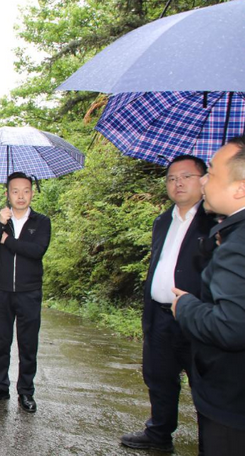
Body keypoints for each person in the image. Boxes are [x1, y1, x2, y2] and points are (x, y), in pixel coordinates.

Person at [121, 155, 216, 453]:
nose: (178, 183)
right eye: (172, 178)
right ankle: (159, 433)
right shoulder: (163, 220)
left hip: (198, 316)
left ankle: (212, 443)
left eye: (186, 177)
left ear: (204, 181)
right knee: (159, 376)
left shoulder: (215, 222)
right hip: (160, 314)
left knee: (205, 383)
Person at [172, 136, 245, 455]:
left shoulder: (238, 245)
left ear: (240, 188)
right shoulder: (230, 234)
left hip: (231, 399)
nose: (203, 180)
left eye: (211, 172)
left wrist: (185, 306)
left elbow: (231, 325)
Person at [0, 172, 51, 413]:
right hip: (1, 292)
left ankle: (26, 391)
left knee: (28, 344)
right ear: (7, 194)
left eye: (26, 191)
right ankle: (0, 387)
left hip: (29, 292)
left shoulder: (41, 222)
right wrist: (0, 225)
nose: (21, 196)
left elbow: (36, 251)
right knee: (1, 342)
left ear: (32, 193)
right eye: (15, 191)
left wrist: (7, 241)